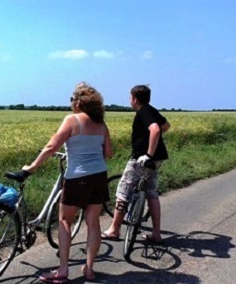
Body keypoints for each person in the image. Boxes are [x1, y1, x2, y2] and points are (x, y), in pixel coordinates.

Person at [22, 82, 113, 283]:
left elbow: (52, 146)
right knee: (93, 222)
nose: (71, 103)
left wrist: (33, 166)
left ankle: (63, 270)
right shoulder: (101, 124)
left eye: (72, 100)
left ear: (79, 103)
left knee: (64, 221)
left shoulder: (72, 120)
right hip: (99, 176)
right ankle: (89, 269)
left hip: (77, 177)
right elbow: (108, 153)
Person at [101, 84, 170, 244]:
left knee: (124, 190)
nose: (129, 100)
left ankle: (114, 230)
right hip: (157, 158)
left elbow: (156, 130)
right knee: (151, 192)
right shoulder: (151, 110)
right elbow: (166, 126)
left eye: (130, 97)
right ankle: (156, 233)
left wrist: (148, 154)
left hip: (142, 159)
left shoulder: (143, 112)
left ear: (134, 99)